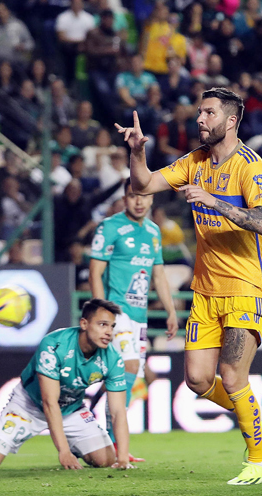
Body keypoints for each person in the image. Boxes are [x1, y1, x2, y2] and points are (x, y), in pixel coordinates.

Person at [115, 87, 262, 485]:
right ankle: (258, 415)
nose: (200, 120)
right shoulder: (196, 161)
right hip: (206, 291)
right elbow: (142, 186)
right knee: (198, 380)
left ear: (231, 121)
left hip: (245, 286)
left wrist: (212, 200)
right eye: (199, 112)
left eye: (208, 113)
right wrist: (137, 151)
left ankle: (258, 462)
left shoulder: (250, 166)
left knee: (233, 374)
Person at [0, 299, 133, 471]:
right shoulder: (54, 345)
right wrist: (63, 451)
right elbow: (50, 402)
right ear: (84, 323)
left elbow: (117, 412)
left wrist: (123, 458)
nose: (109, 332)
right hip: (29, 406)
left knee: (106, 460)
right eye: (102, 325)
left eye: (112, 326)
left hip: (71, 410)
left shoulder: (112, 358)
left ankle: (80, 444)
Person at [89, 180, 179, 460]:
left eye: (144, 196)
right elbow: (95, 271)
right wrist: (102, 315)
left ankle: (108, 437)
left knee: (130, 376)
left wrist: (171, 310)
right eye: (132, 196)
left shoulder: (153, 232)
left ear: (152, 199)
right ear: (125, 198)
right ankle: (113, 441)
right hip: (117, 313)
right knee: (128, 367)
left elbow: (159, 275)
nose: (138, 201)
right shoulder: (110, 227)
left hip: (139, 317)